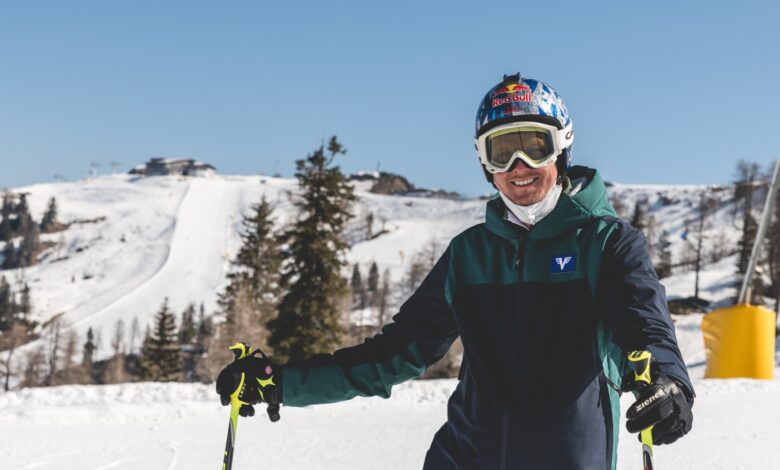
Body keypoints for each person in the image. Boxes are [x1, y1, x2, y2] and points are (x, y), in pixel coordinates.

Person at [216, 73, 694, 469]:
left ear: (562, 147)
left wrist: (667, 381)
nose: (519, 166)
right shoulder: (469, 253)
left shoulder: (607, 243)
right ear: (485, 163)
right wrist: (281, 382)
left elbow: (645, 326)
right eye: (501, 151)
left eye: (535, 145)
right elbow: (394, 352)